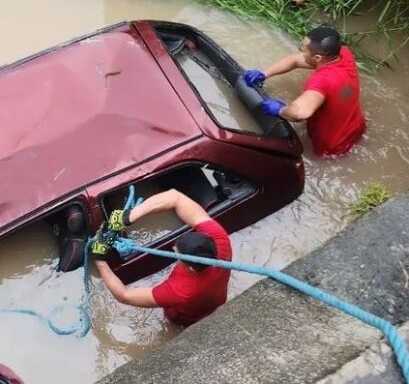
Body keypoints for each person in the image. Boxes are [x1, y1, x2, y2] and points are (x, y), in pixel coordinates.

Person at [90, 189, 232, 326]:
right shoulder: (221, 240)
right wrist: (130, 216)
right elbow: (175, 197)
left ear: (190, 268)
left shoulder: (181, 290)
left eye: (177, 252)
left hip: (186, 318)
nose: (173, 248)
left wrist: (99, 259)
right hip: (217, 299)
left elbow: (124, 295)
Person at [243, 26, 365, 157]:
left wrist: (279, 109)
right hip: (356, 129)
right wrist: (264, 74)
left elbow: (300, 113)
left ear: (317, 58)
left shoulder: (321, 80)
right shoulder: (343, 54)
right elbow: (295, 60)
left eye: (303, 49)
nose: (301, 50)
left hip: (333, 148)